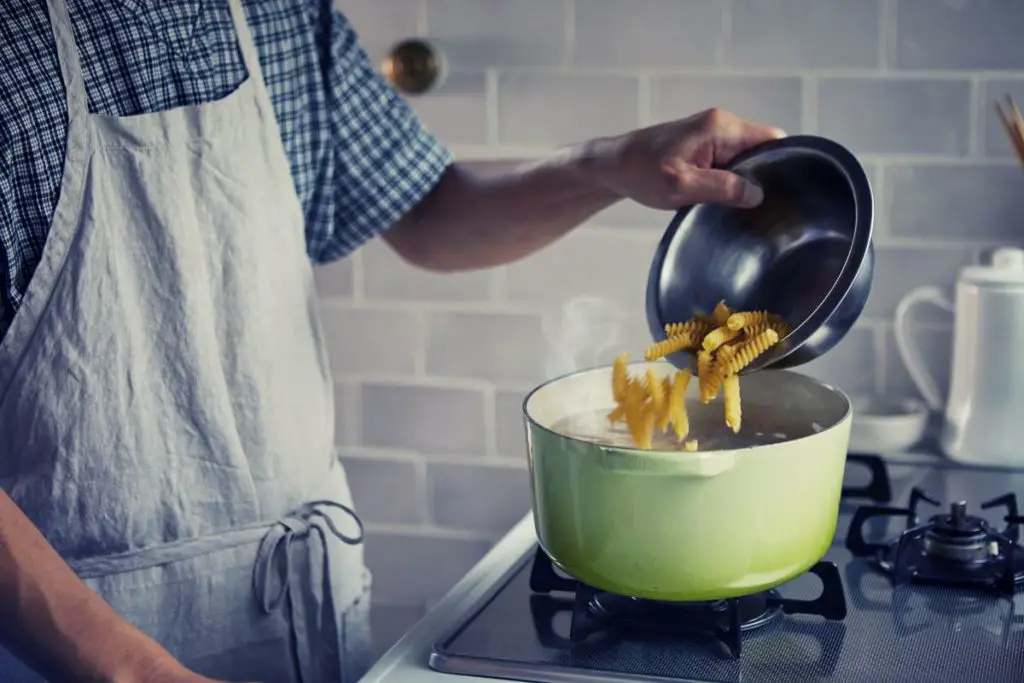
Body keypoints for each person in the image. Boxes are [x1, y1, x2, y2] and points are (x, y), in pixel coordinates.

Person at [0, 2, 785, 682]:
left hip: (297, 606)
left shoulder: (280, 14)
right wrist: (138, 668)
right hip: (64, 637)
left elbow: (425, 209)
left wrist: (609, 165)